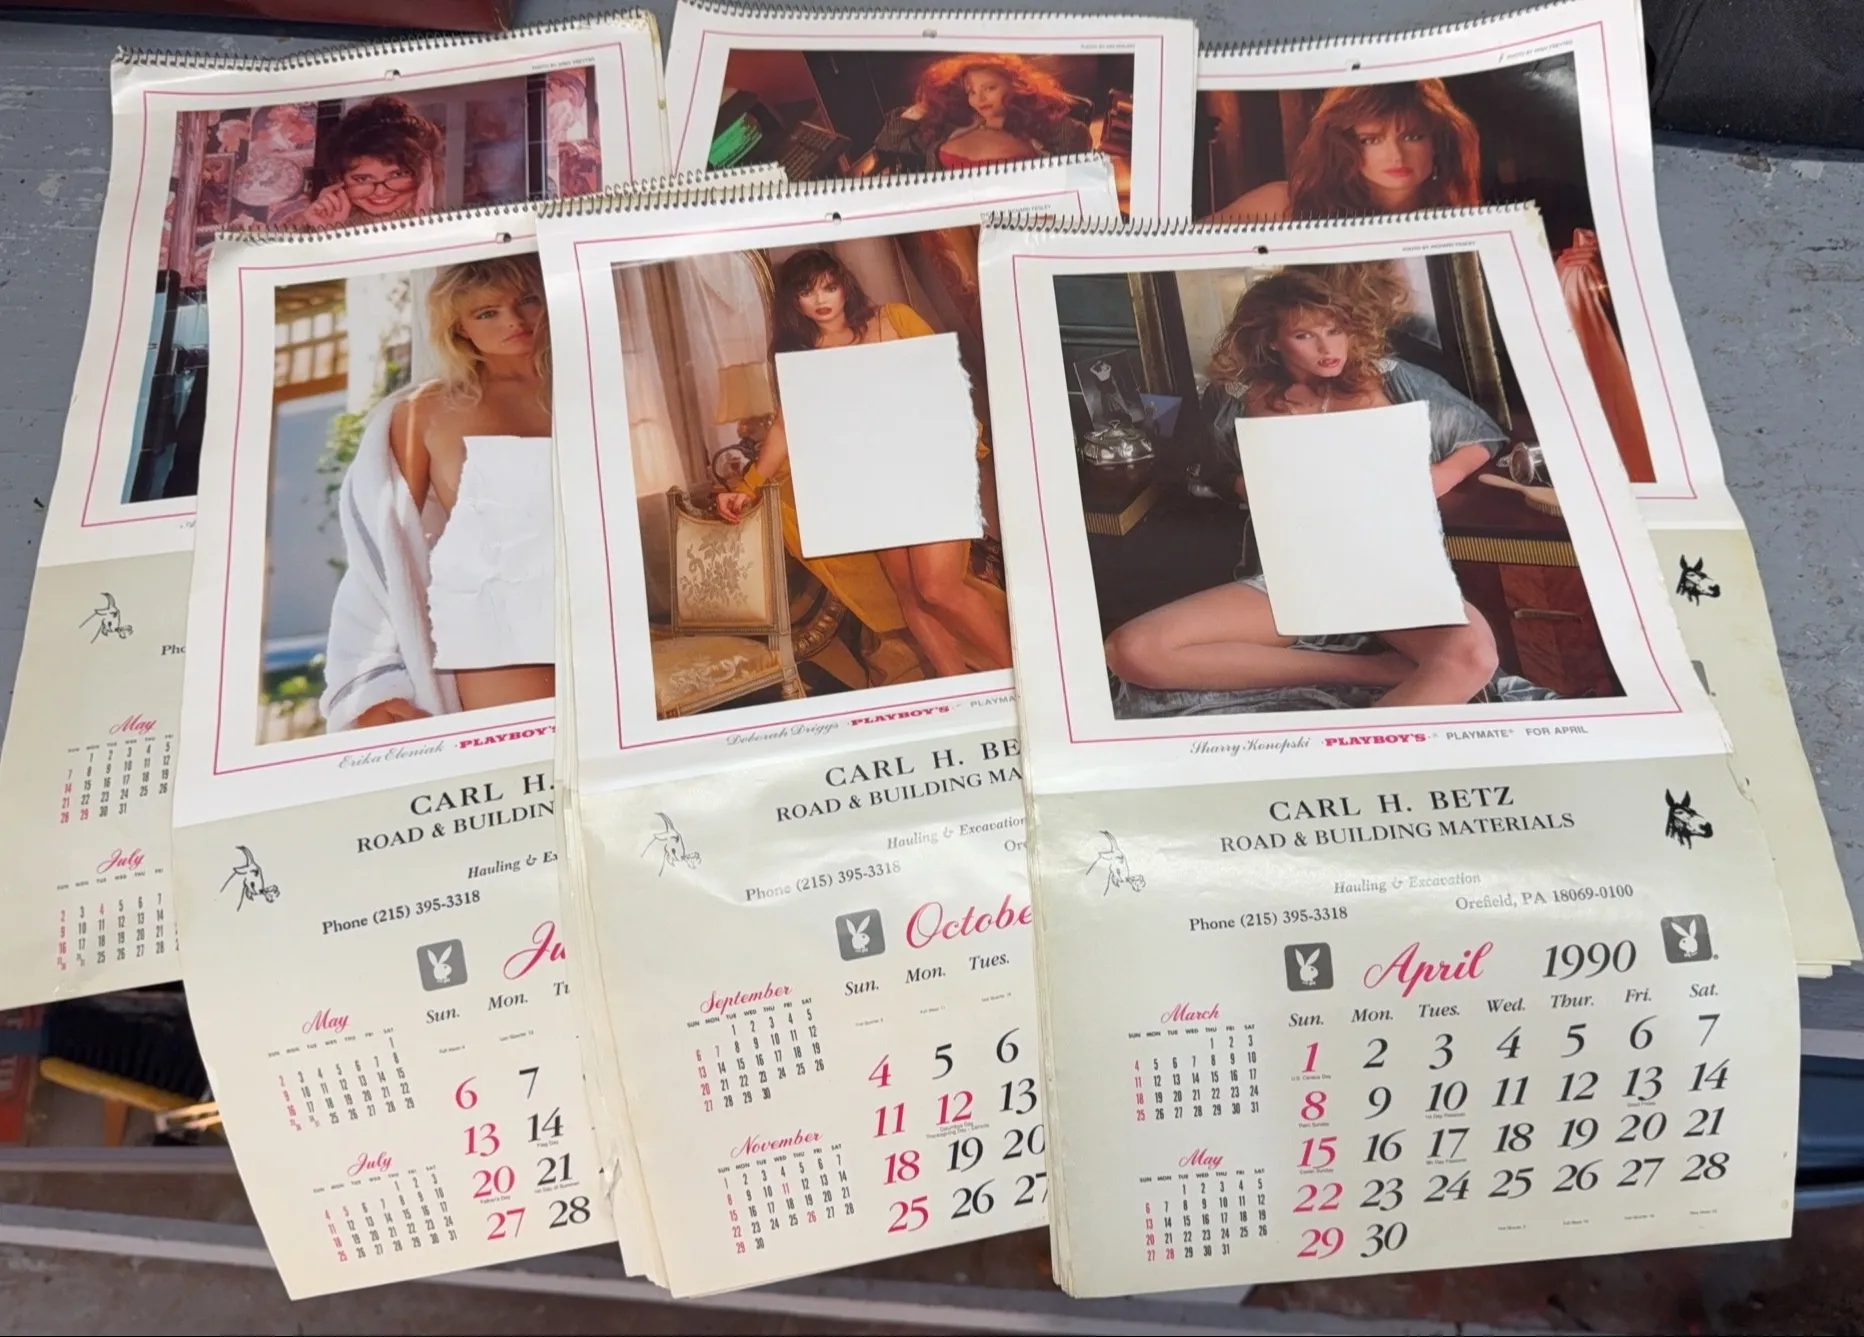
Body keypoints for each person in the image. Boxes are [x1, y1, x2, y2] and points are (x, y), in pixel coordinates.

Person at [1102, 266, 1507, 709]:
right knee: (1131, 650)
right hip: (1291, 573)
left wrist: (1439, 477)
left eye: (1335, 331)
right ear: (1273, 340)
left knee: (1472, 657)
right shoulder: (1238, 396)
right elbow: (1206, 468)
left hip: (1388, 566)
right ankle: (1374, 671)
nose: (1328, 348)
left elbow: (1481, 435)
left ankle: (1357, 746)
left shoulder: (1390, 377)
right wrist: (1245, 485)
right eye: (1305, 336)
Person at [714, 249, 1012, 678]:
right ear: (793, 301)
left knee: (938, 587)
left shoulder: (894, 319)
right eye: (807, 292)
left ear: (844, 286)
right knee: (911, 598)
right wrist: (747, 487)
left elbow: (947, 382)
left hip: (927, 469)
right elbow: (785, 427)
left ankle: (1024, 677)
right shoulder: (799, 353)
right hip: (868, 484)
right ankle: (960, 689)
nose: (821, 299)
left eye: (829, 287)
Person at [321, 256, 556, 732]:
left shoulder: (594, 384)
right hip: (500, 624)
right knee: (526, 758)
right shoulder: (424, 412)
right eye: (487, 312)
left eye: (527, 300)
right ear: (460, 328)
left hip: (606, 602)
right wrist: (371, 688)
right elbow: (382, 554)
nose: (514, 320)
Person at [1210, 79, 1481, 222]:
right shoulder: (1284, 204)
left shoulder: (1461, 215)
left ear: (1438, 142)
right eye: (1371, 140)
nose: (1396, 155)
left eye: (1412, 137)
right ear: (1342, 145)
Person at [874, 53, 1092, 171]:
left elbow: (1076, 178)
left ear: (1015, 87)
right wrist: (927, 105)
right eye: (971, 92)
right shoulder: (952, 128)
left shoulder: (1058, 130)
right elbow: (886, 143)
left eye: (989, 88)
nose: (979, 99)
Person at [300, 95, 442, 229]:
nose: (380, 192)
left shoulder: (448, 221)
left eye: (397, 174)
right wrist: (330, 233)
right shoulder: (313, 227)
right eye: (363, 179)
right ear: (339, 179)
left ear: (424, 171)